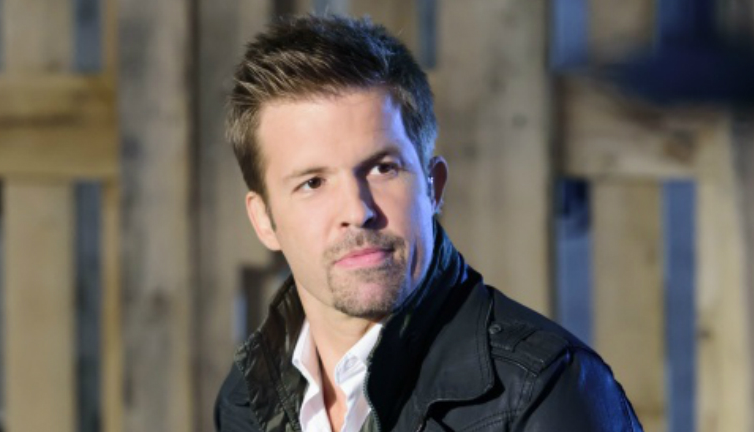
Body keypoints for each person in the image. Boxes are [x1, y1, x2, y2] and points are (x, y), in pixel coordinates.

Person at [215, 14, 643, 432]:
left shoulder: (545, 390)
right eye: (313, 183)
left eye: (383, 168)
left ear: (433, 186)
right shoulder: (248, 401)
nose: (357, 211)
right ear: (264, 220)